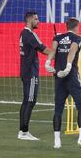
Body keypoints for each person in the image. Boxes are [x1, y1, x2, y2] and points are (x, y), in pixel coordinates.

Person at [45, 17, 81, 149]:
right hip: (71, 76)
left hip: (58, 77)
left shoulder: (58, 37)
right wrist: (68, 66)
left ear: (66, 26)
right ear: (77, 26)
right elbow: (72, 50)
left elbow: (52, 50)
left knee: (58, 109)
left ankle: (57, 141)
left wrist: (48, 62)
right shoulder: (77, 38)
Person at [18, 11, 51, 141]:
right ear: (30, 20)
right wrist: (59, 53)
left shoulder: (23, 33)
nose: (38, 21)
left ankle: (22, 131)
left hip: (25, 71)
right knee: (31, 101)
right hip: (31, 73)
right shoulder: (30, 35)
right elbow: (44, 50)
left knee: (27, 100)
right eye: (36, 19)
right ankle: (24, 132)